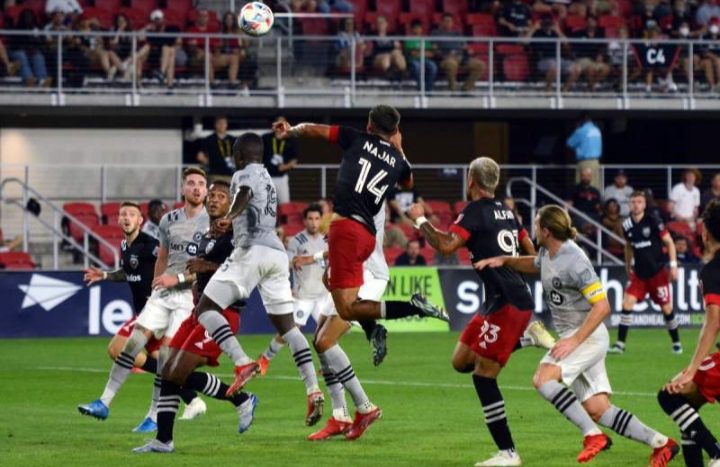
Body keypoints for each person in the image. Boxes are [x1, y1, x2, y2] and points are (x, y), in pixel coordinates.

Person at [475, 204, 679, 466]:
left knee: (543, 378)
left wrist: (574, 340)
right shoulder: (548, 252)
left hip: (587, 337)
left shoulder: (575, 259)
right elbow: (534, 263)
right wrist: (505, 260)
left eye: (537, 224)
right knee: (598, 409)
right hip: (578, 336)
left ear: (546, 230)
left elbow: (603, 306)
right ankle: (662, 443)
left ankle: (592, 436)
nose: (534, 228)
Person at [405, 157, 550, 467]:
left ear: (471, 180)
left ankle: (509, 453)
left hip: (510, 303)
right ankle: (527, 338)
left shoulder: (474, 212)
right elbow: (533, 255)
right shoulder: (509, 213)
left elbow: (446, 246)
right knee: (461, 362)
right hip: (499, 301)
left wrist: (420, 220)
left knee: (484, 377)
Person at [190, 133, 325, 429]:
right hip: (276, 254)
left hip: (251, 249)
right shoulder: (268, 175)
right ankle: (313, 388)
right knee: (288, 327)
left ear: (239, 153)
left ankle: (241, 361)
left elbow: (244, 195)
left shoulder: (243, 174)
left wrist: (229, 217)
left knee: (205, 307)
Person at [270, 107, 447, 326]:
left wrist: (291, 131)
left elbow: (314, 130)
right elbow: (408, 182)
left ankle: (412, 307)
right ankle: (377, 326)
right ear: (395, 131)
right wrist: (399, 148)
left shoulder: (355, 137)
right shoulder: (398, 161)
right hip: (367, 237)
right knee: (330, 283)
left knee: (347, 308)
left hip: (346, 229)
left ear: (369, 125)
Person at [78, 168, 210, 429]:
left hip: (185, 300)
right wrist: (108, 275)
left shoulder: (210, 225)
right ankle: (104, 403)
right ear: (183, 188)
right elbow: (155, 261)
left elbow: (209, 266)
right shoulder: (164, 224)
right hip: (159, 299)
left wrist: (178, 280)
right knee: (126, 348)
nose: (196, 187)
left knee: (164, 359)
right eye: (191, 183)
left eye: (201, 184)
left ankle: (155, 416)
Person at [133, 181, 256, 453]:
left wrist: (207, 265)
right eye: (212, 195)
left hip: (222, 313)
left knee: (177, 372)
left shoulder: (238, 233)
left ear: (231, 204)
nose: (213, 200)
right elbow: (197, 270)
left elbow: (245, 271)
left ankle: (242, 400)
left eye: (221, 197)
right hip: (197, 312)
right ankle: (163, 440)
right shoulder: (206, 234)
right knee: (167, 370)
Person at [658, 199, 720, 467]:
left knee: (671, 395)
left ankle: (716, 451)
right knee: (687, 407)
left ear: (705, 231)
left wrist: (692, 369)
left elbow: (713, 321)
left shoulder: (713, 270)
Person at [608, 191, 682, 355]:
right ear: (630, 204)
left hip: (657, 273)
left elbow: (669, 243)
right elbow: (628, 245)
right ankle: (620, 344)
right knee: (626, 304)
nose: (636, 205)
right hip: (639, 274)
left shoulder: (654, 221)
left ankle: (676, 342)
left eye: (639, 202)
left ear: (644, 204)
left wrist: (674, 265)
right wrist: (628, 264)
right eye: (633, 202)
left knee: (667, 309)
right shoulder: (626, 225)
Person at [431, 13, 485, 93]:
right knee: (451, 64)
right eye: (446, 21)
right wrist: (444, 56)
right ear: (441, 22)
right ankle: (453, 90)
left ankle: (466, 89)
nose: (448, 23)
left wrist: (469, 51)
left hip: (461, 57)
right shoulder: (436, 33)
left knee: (480, 65)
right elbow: (434, 49)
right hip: (446, 58)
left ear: (453, 22)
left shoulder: (458, 34)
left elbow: (466, 47)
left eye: (450, 21)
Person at [527, 14, 580, 92]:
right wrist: (534, 28)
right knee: (554, 68)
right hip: (543, 60)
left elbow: (566, 42)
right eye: (545, 22)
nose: (547, 25)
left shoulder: (555, 33)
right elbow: (524, 41)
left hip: (559, 59)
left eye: (549, 22)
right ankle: (548, 89)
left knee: (577, 69)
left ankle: (565, 89)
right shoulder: (537, 33)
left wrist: (557, 30)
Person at [262, 116, 299, 204]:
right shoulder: (265, 138)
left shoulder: (290, 140)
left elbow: (294, 159)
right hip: (267, 178)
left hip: (282, 178)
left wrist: (285, 166)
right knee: (266, 205)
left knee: (284, 205)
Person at [567, 113, 602, 187]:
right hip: (596, 162)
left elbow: (569, 143)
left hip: (585, 162)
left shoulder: (581, 130)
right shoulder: (596, 130)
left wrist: (576, 129)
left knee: (583, 186)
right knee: (595, 186)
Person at [405, 19, 437, 92]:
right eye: (415, 28)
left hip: (426, 60)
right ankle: (420, 88)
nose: (417, 30)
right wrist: (424, 53)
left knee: (433, 67)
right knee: (417, 67)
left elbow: (431, 53)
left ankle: (428, 89)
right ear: (412, 29)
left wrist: (420, 52)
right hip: (414, 61)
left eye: (419, 28)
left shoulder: (425, 39)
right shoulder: (409, 39)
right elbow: (413, 53)